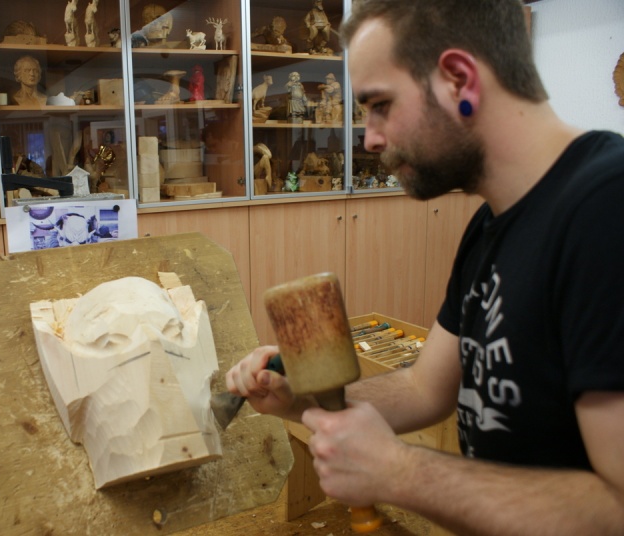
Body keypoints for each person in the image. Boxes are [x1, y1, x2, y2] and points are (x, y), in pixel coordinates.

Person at [226, 1, 624, 535]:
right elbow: (422, 389)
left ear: (459, 79)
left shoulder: (606, 210)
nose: (369, 137)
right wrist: (298, 400)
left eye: (380, 105)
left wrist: (399, 471)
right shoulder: (491, 224)